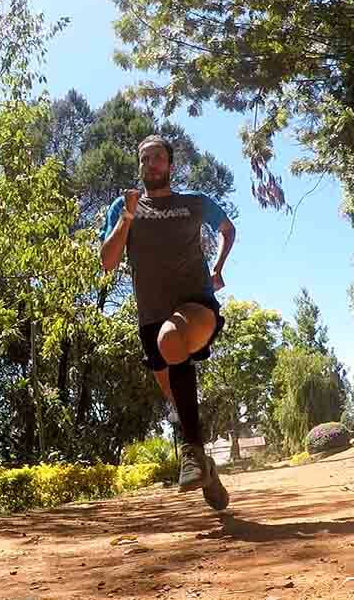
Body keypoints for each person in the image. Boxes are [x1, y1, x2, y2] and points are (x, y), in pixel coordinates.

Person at [99, 134, 236, 511]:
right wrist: (127, 215)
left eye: (158, 158)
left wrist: (218, 268)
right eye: (144, 159)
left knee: (172, 337)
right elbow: (107, 262)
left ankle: (191, 453)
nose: (151, 164)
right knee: (175, 393)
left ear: (170, 165)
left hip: (196, 307)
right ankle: (206, 466)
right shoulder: (123, 207)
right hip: (150, 317)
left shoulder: (194, 203)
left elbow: (227, 229)